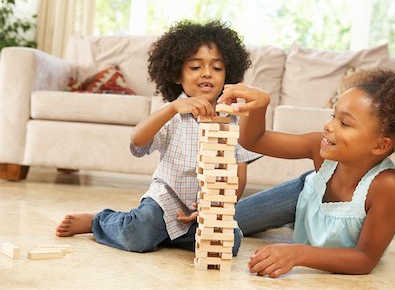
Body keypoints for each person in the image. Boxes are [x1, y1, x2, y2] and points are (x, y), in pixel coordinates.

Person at [55, 20, 260, 255]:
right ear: (176, 75)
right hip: (166, 201)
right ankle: (100, 220)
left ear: (228, 73)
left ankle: (161, 234)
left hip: (205, 208)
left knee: (230, 242)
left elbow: (238, 176)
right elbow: (137, 140)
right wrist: (173, 108)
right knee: (137, 235)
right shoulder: (174, 114)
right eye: (195, 67)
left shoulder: (234, 120)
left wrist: (216, 207)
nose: (207, 73)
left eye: (216, 68)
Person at [219, 69, 395, 277]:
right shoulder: (319, 149)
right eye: (333, 116)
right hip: (301, 196)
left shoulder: (387, 186)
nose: (329, 126)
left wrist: (298, 254)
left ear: (380, 145)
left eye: (345, 123)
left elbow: (364, 259)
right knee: (216, 225)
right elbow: (254, 141)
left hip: (324, 224)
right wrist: (260, 105)